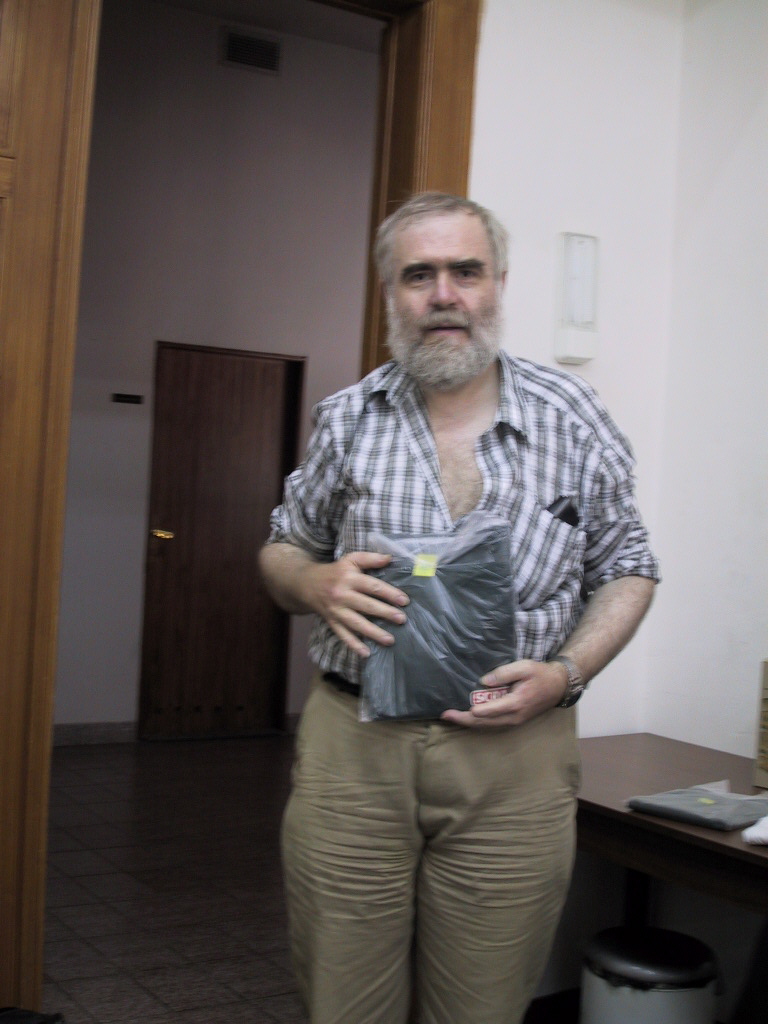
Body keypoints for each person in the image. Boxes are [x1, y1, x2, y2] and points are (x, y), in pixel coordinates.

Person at [258, 192, 660, 1024]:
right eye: (420, 275)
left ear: (498, 284)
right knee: (343, 1003)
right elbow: (281, 550)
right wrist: (314, 584)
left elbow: (630, 568)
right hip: (353, 754)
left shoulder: (573, 417)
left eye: (466, 271)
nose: (444, 294)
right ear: (391, 293)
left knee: (482, 1008)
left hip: (516, 760)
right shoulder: (347, 419)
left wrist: (566, 673)